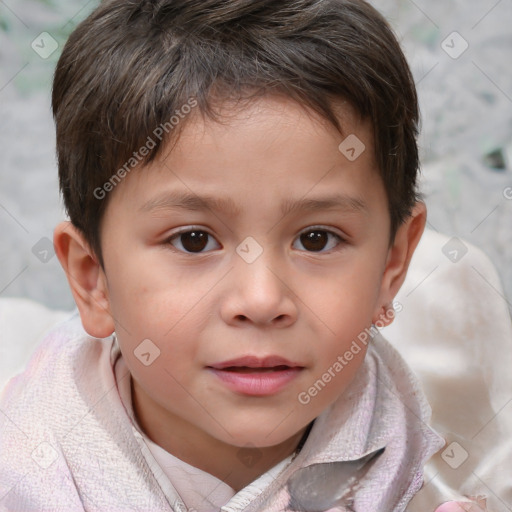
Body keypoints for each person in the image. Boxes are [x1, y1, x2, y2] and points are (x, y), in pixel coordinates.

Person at [1, 0, 476, 510]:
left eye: (316, 239)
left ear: (391, 264)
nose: (261, 298)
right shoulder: (25, 473)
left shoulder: (416, 476)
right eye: (194, 240)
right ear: (93, 278)